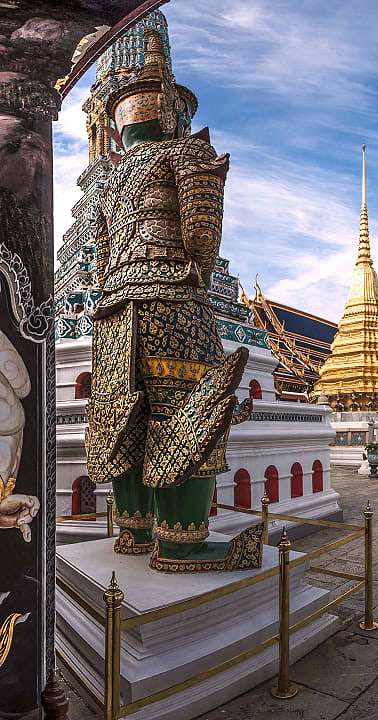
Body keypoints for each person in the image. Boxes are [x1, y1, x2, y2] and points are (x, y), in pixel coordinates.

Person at [84, 29, 259, 572]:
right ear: (170, 111)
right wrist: (197, 278)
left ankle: (135, 533)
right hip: (171, 302)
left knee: (121, 416)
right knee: (188, 412)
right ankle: (180, 542)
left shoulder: (107, 179)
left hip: (113, 313)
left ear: (121, 118)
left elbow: (101, 249)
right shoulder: (187, 150)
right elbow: (204, 237)